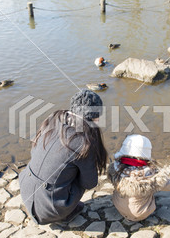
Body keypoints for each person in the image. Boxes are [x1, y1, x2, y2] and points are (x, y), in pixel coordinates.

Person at [19, 89, 107, 224]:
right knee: (81, 175)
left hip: (26, 191)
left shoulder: (51, 121)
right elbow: (90, 183)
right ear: (95, 117)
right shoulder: (83, 142)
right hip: (49, 210)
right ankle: (64, 213)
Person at [108, 134, 170, 222]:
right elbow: (167, 184)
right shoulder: (151, 174)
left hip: (119, 207)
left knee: (119, 187)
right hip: (141, 213)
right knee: (153, 187)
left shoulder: (116, 169)